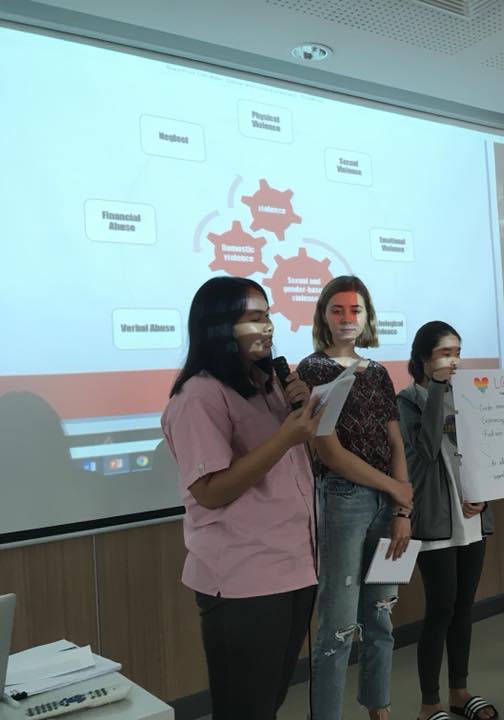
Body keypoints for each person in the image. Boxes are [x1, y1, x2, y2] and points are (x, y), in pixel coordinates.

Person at [161, 277, 322, 720]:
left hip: (295, 564)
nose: (268, 327)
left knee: (268, 701)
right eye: (253, 318)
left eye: (268, 316)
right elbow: (210, 492)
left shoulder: (270, 384)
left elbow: (297, 465)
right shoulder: (198, 395)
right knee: (244, 708)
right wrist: (285, 437)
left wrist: (304, 415)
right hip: (243, 576)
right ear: (218, 327)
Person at [298, 275, 413, 720]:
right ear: (323, 317)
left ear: (368, 317)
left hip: (390, 506)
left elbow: (395, 441)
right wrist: (394, 488)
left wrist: (402, 508)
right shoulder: (312, 371)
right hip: (344, 499)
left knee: (381, 614)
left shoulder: (378, 372)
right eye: (338, 309)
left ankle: (378, 707)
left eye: (356, 310)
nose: (347, 318)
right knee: (338, 628)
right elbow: (329, 452)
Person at [397, 321, 498, 720]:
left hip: (471, 514)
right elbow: (424, 448)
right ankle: (429, 704)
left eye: (457, 353)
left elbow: (484, 449)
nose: (453, 361)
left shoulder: (467, 395)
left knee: (463, 607)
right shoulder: (407, 401)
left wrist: (483, 494)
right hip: (435, 519)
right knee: (440, 609)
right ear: (424, 359)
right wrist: (438, 388)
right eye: (444, 353)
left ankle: (460, 692)